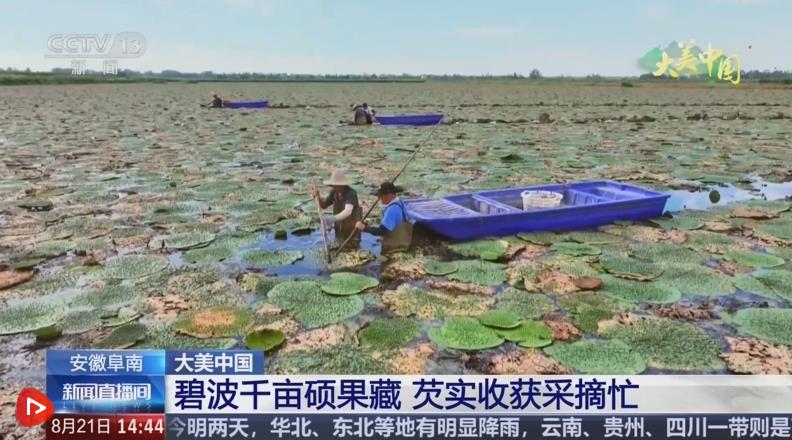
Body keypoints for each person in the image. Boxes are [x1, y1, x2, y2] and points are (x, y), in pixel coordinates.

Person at [355, 182, 413, 254]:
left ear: (388, 195)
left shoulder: (391, 210)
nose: (379, 198)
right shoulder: (399, 202)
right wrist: (367, 226)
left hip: (395, 247)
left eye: (380, 196)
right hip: (403, 241)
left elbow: (382, 231)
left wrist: (364, 228)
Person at [314, 169, 363, 250]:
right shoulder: (334, 193)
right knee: (339, 246)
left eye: (336, 185)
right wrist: (317, 197)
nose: (335, 187)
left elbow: (347, 212)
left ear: (342, 185)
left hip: (352, 229)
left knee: (352, 248)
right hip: (339, 228)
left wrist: (332, 219)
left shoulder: (351, 193)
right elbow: (323, 205)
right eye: (334, 185)